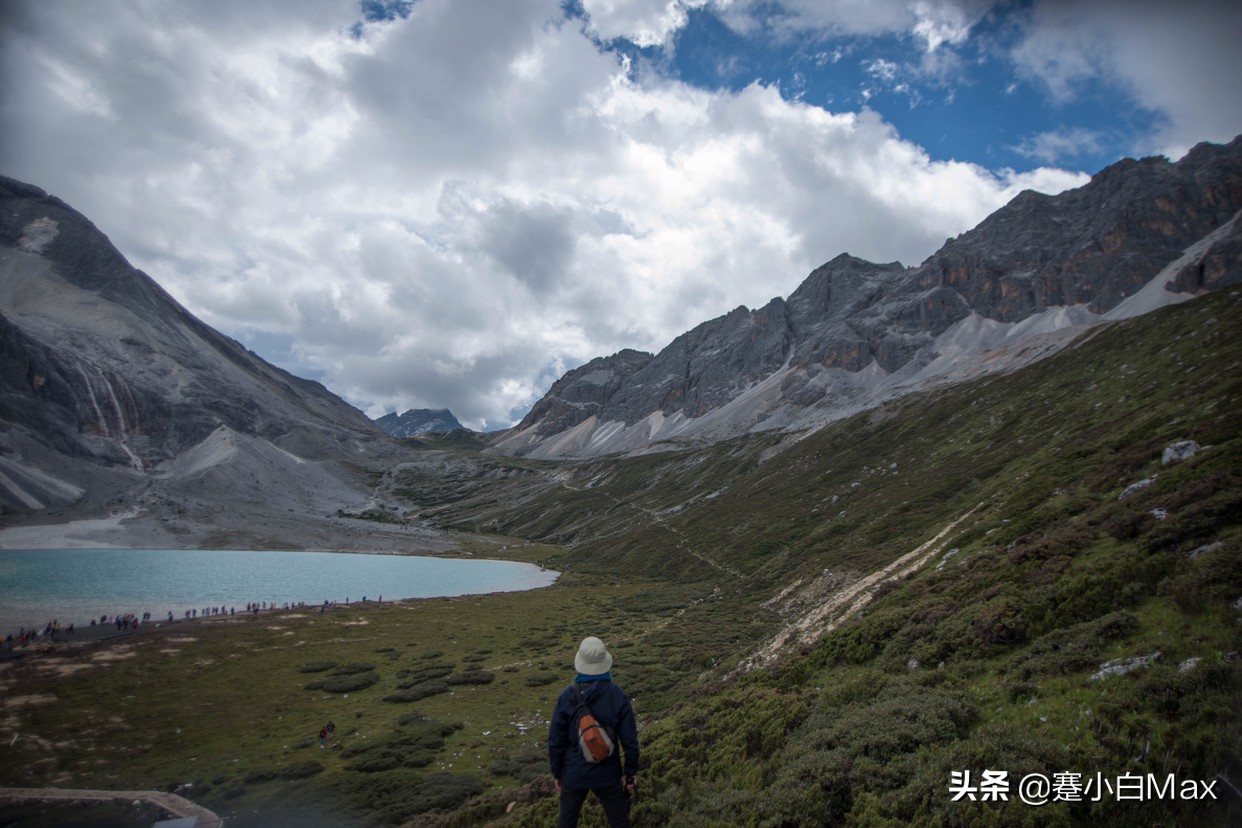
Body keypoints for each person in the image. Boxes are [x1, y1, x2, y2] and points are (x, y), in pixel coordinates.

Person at [547, 636, 639, 828]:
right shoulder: (617, 695)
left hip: (573, 773)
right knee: (620, 822)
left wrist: (558, 773)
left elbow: (555, 741)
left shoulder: (566, 697)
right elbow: (630, 741)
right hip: (608, 773)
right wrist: (630, 775)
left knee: (566, 823)